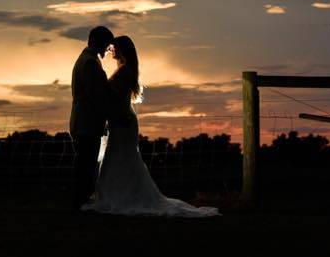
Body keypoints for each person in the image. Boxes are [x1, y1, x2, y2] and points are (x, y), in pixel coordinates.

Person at [82, 35, 220, 218]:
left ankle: (121, 197)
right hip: (121, 121)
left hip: (123, 122)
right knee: (121, 159)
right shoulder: (125, 69)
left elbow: (108, 95)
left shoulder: (124, 71)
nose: (111, 50)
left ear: (122, 50)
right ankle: (121, 194)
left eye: (114, 47)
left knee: (120, 158)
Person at [69, 25, 115, 209]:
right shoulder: (89, 62)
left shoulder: (86, 59)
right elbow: (96, 95)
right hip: (87, 122)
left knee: (85, 163)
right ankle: (81, 201)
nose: (107, 49)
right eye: (106, 44)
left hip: (84, 121)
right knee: (86, 165)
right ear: (99, 42)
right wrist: (109, 115)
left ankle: (80, 201)